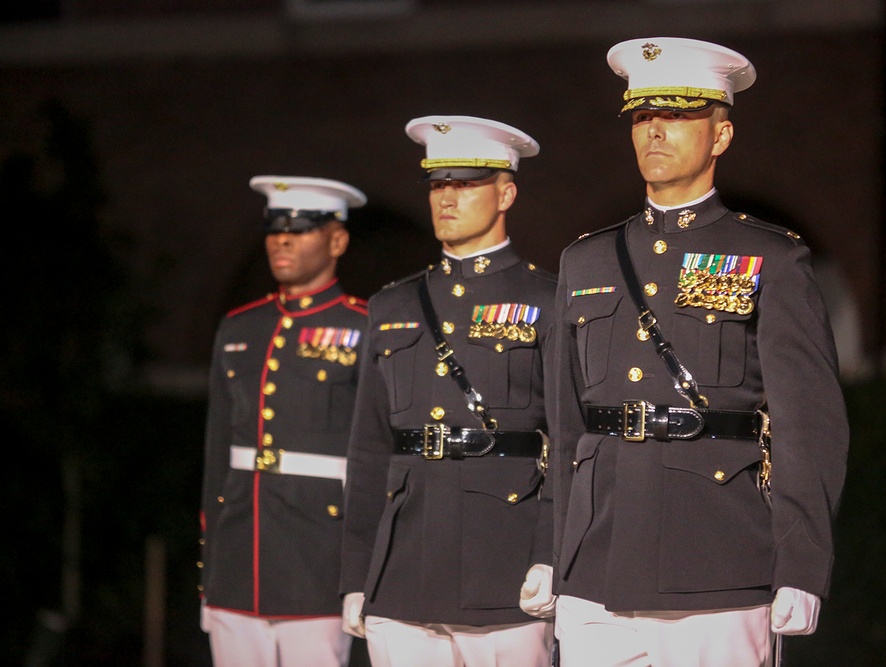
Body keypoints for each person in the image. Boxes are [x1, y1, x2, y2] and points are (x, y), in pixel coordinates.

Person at [547, 37, 850, 666]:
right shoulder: (587, 260)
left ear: (721, 136)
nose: (655, 131)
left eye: (679, 115)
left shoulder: (770, 257)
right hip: (596, 564)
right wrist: (555, 554)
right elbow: (564, 424)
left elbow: (809, 425)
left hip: (717, 558)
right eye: (642, 116)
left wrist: (802, 564)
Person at [340, 115, 557, 667]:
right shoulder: (392, 306)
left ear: (506, 192)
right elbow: (368, 451)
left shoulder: (548, 300)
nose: (448, 199)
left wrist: (549, 554)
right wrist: (356, 575)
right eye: (439, 185)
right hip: (403, 570)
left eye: (466, 184)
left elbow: (569, 443)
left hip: (504, 567)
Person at [199, 175, 368, 667]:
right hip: (237, 558)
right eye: (275, 230)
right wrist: (209, 569)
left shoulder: (364, 326)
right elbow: (216, 454)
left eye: (300, 229)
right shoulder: (240, 327)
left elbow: (372, 455)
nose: (283, 240)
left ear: (336, 240)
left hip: (317, 562)